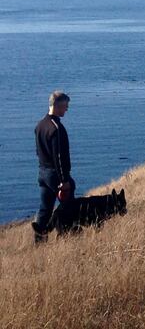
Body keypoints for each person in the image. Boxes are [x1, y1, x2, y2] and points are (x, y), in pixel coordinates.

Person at [31, 91, 75, 244]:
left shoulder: (40, 125)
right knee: (68, 206)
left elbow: (38, 151)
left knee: (45, 209)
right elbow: (59, 157)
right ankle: (67, 236)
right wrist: (64, 180)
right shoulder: (57, 128)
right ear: (57, 106)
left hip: (42, 172)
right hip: (55, 174)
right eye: (65, 106)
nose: (67, 109)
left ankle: (39, 241)